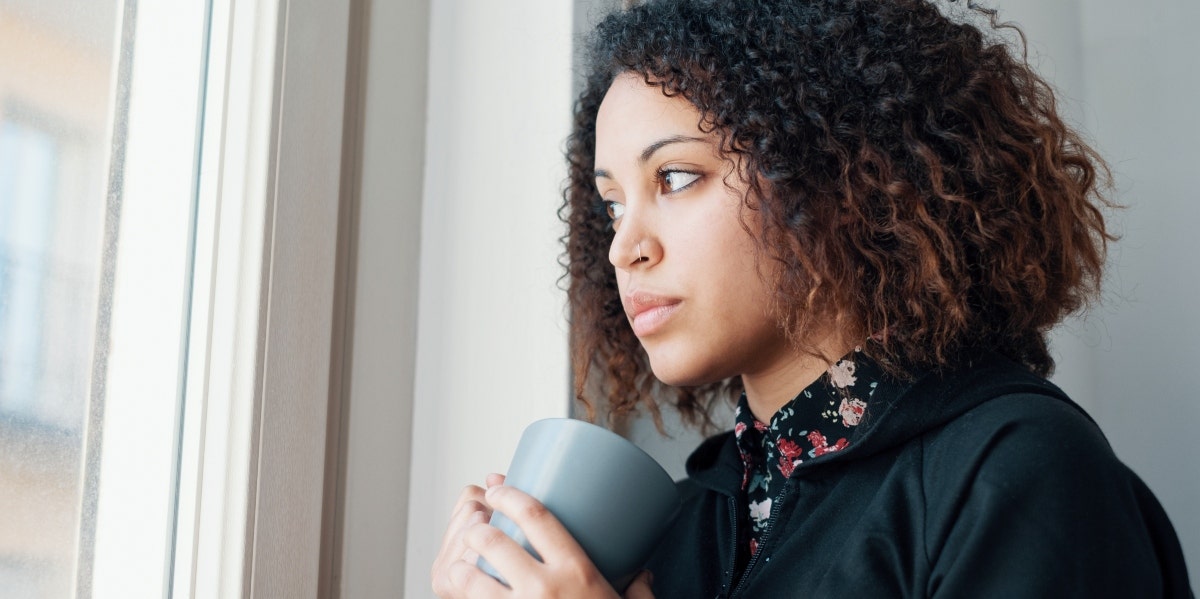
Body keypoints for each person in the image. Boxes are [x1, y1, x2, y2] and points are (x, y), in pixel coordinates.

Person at [432, 0, 1195, 597]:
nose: (623, 245)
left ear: (831, 175)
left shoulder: (1015, 468)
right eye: (610, 203)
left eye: (675, 177)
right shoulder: (680, 527)